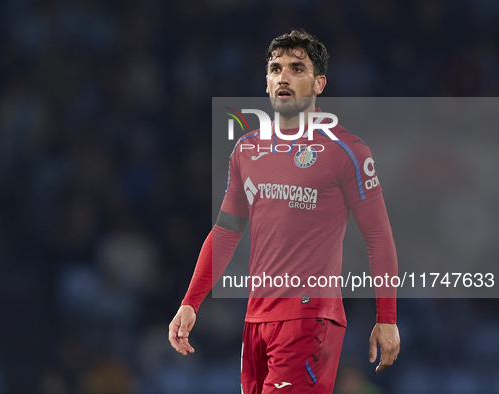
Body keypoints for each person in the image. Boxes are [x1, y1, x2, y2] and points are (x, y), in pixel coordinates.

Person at [168, 30, 400, 393]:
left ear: (319, 83)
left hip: (310, 319)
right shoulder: (246, 150)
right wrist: (191, 302)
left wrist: (386, 318)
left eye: (297, 68)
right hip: (257, 319)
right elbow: (227, 232)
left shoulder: (346, 151)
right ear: (266, 81)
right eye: (276, 69)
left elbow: (379, 237)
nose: (284, 77)